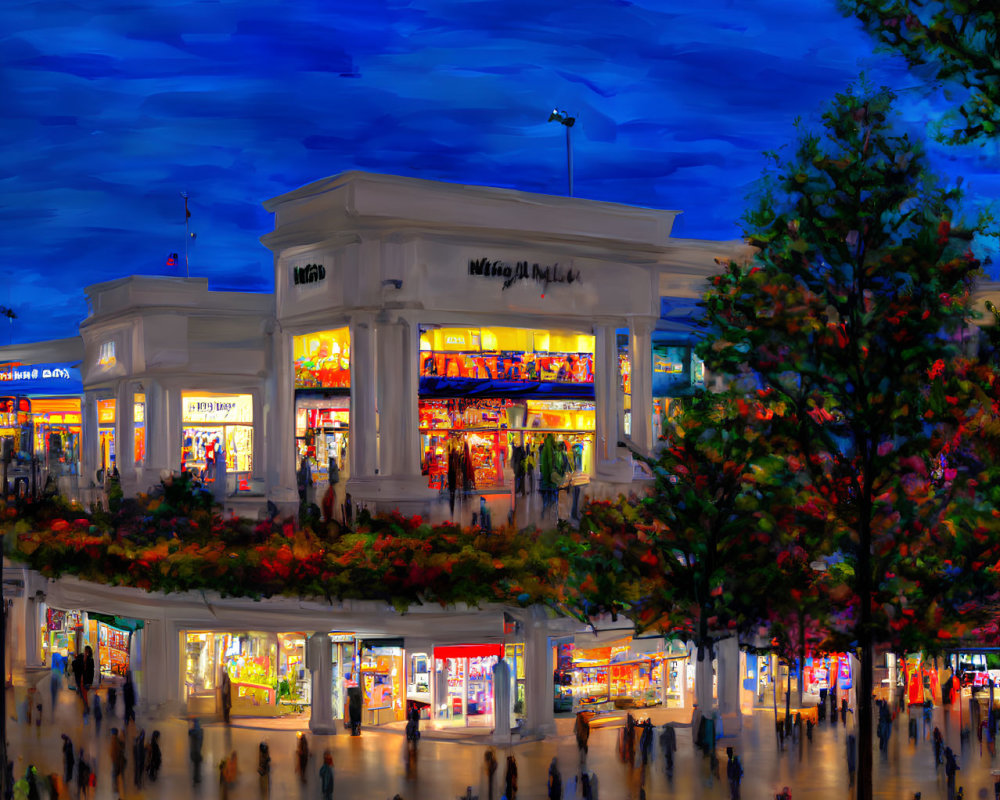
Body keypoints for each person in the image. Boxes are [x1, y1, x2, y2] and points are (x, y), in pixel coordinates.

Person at [109, 728, 126, 799]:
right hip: (119, 764)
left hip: (115, 764)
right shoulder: (118, 741)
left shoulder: (113, 741)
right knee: (120, 781)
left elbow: (112, 754)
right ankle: (119, 796)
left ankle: (117, 796)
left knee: (115, 781)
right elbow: (123, 747)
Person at [189, 718, 204, 784]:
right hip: (197, 753)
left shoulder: (193, 732)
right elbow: (200, 743)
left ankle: (196, 778)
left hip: (195, 753)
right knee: (197, 767)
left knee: (196, 767)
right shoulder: (199, 732)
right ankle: (197, 778)